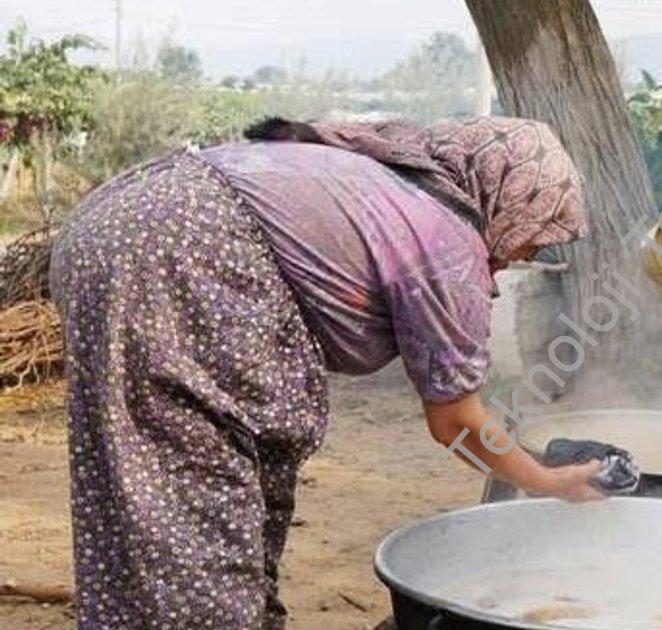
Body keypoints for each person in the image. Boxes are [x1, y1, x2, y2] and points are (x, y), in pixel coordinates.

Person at [49, 116, 602, 629]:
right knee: (197, 510)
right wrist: (546, 481)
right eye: (540, 228)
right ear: (510, 194)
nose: (531, 250)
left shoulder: (389, 180)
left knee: (151, 485)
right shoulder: (444, 241)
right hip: (181, 254)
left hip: (119, 223)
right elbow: (456, 419)